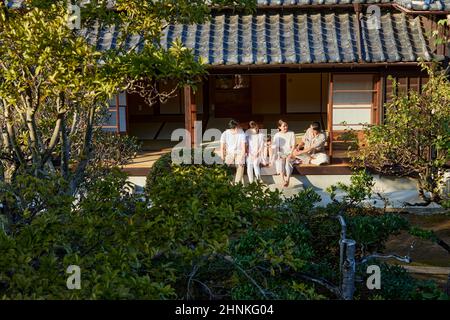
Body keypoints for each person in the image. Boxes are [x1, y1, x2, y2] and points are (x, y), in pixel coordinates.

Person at [220, 119, 246, 184]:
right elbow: (222, 147)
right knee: (225, 166)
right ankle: (228, 182)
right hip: (230, 152)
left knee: (241, 165)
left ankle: (237, 183)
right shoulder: (225, 134)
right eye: (237, 127)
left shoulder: (241, 132)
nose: (238, 128)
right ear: (233, 128)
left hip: (239, 152)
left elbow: (243, 148)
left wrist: (242, 158)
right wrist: (222, 157)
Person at [273, 119, 296, 187]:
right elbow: (276, 147)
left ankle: (288, 179)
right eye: (284, 126)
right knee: (281, 161)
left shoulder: (291, 133)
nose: (286, 127)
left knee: (288, 160)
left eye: (286, 126)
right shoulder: (277, 135)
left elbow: (294, 145)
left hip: (290, 152)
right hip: (281, 153)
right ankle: (283, 180)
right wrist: (278, 155)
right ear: (279, 127)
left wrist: (291, 154)